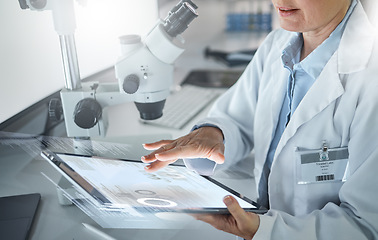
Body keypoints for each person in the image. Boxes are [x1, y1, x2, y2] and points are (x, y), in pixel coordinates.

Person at [141, 0, 378, 239]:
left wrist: (266, 231)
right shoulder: (277, 45)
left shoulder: (371, 76)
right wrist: (214, 134)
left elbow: (366, 226)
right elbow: (237, 119)